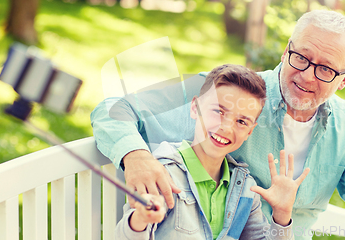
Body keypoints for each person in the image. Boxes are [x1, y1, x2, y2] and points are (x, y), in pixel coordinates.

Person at [91, 10, 345, 239]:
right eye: (301, 57)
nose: (306, 75)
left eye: (326, 69)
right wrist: (135, 156)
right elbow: (113, 109)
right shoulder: (231, 94)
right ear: (287, 49)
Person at [115, 64, 309, 239]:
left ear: (250, 131)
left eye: (241, 122)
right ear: (194, 107)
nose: (225, 127)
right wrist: (140, 218)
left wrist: (282, 215)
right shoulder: (164, 175)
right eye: (218, 111)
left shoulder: (245, 190)